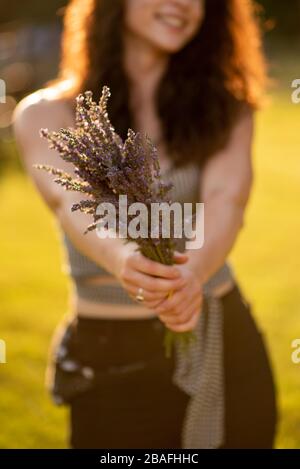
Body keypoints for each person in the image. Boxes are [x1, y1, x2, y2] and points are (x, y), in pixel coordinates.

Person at [13, 0, 278, 449]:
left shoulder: (226, 107)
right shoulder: (46, 115)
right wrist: (126, 259)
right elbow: (70, 200)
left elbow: (226, 199)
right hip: (112, 354)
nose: (185, 5)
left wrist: (190, 275)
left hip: (223, 335)